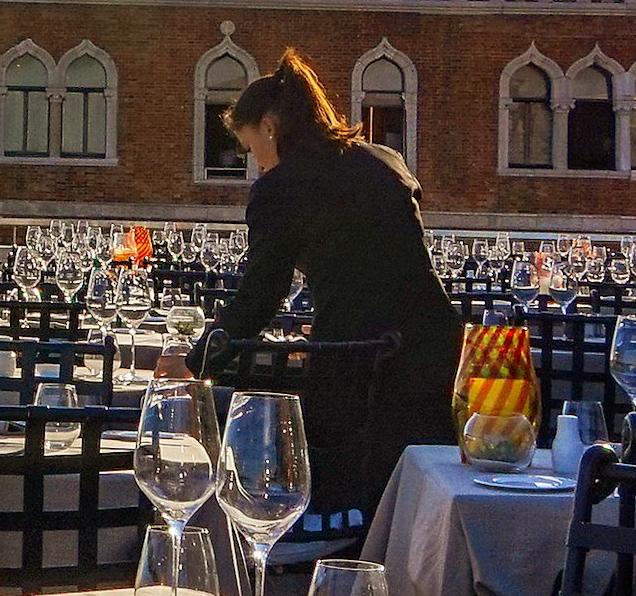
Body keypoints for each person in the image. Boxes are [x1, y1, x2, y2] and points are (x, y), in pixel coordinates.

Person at [194, 49, 463, 459]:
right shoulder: (386, 161)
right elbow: (379, 261)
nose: (257, 166)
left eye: (251, 149)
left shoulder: (280, 189)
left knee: (333, 477)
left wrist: (197, 361)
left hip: (358, 367)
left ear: (269, 128)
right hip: (436, 352)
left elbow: (261, 297)